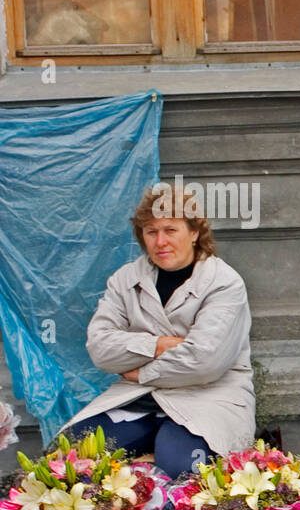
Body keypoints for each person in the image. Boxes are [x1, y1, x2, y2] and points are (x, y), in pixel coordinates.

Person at [60, 185, 256, 483]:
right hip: (138, 399)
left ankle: (147, 483)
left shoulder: (223, 282)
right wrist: (158, 344)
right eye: (151, 232)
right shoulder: (125, 279)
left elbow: (205, 362)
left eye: (170, 230)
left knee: (180, 469)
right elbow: (100, 347)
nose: (160, 242)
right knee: (73, 459)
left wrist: (139, 373)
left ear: (194, 233)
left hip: (207, 397)